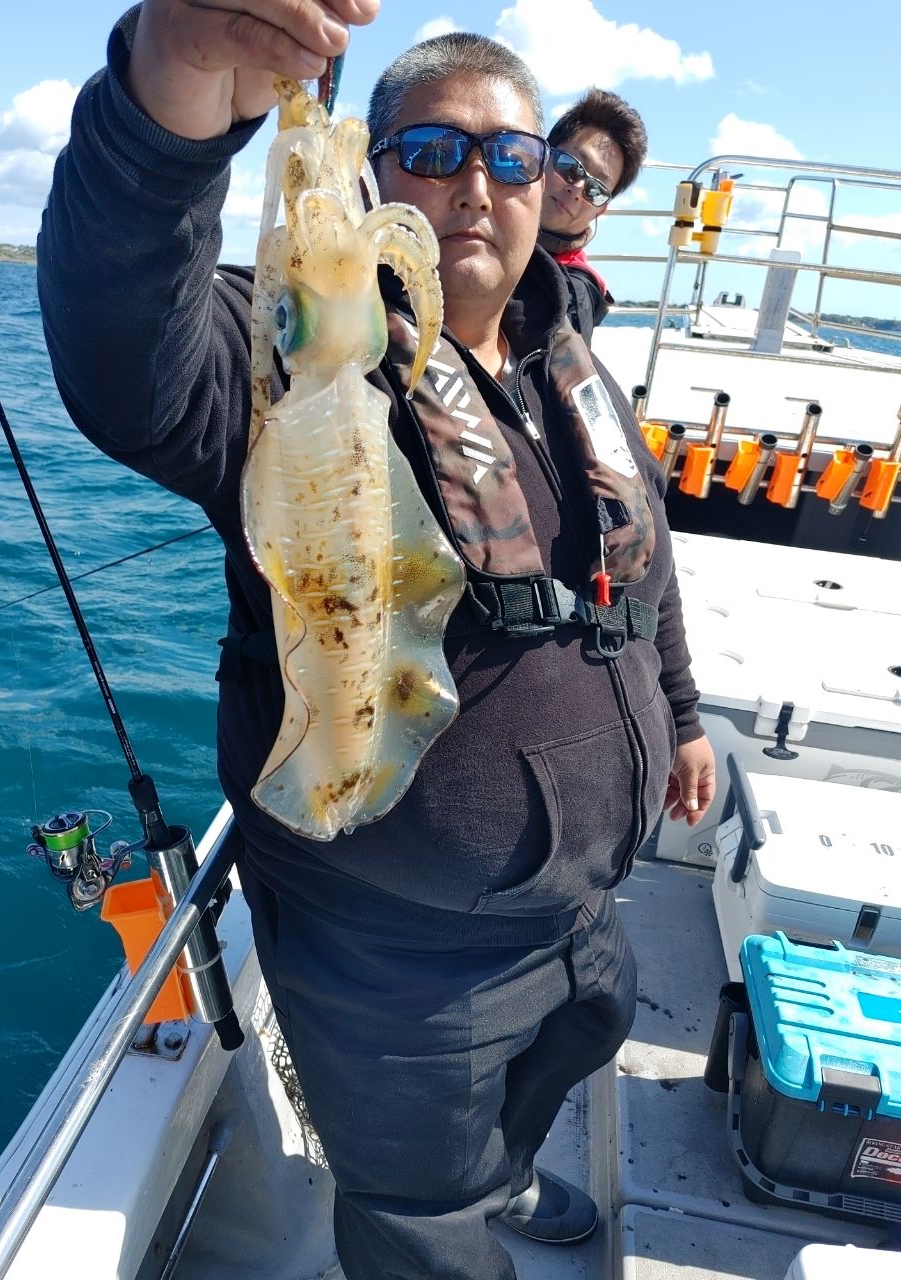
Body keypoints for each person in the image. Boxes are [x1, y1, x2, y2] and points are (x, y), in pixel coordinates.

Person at [37, 4, 716, 1278]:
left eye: (514, 158)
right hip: (400, 952)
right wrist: (172, 87)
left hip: (580, 902)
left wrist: (678, 710)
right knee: (418, 1214)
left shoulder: (567, 356)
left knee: (572, 1051)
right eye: (431, 150)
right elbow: (126, 349)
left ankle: (504, 1179)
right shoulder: (296, 359)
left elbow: (643, 558)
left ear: (549, 189)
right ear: (373, 176)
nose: (477, 185)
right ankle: (455, 1217)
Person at [539, 88, 648, 344]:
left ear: (602, 208)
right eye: (570, 166)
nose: (577, 189)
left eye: (595, 190)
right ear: (542, 154)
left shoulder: (576, 292)